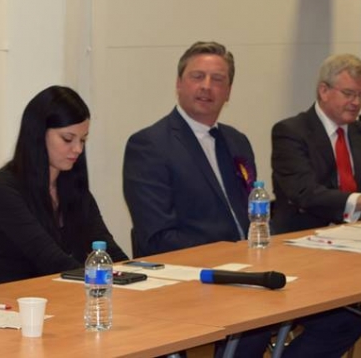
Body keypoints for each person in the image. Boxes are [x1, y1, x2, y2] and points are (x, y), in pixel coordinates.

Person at [123, 41, 361, 358]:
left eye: (218, 79)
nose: (207, 86)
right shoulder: (149, 145)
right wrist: (232, 256)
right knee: (254, 324)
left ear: (229, 91)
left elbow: (252, 213)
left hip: (252, 269)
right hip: (196, 273)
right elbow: (157, 237)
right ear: (179, 83)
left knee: (344, 319)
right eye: (198, 76)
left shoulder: (236, 141)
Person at [0, 86, 127, 288]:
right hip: (11, 301)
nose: (78, 149)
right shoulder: (1, 190)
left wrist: (134, 275)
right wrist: (104, 280)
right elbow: (50, 260)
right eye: (68, 139)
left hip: (56, 297)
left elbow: (107, 249)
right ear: (38, 133)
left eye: (83, 140)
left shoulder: (72, 188)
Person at [272, 53, 361, 233]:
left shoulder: (358, 131)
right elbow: (304, 192)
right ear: (324, 91)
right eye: (348, 94)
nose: (356, 102)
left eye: (360, 95)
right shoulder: (290, 132)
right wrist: (356, 201)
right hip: (303, 237)